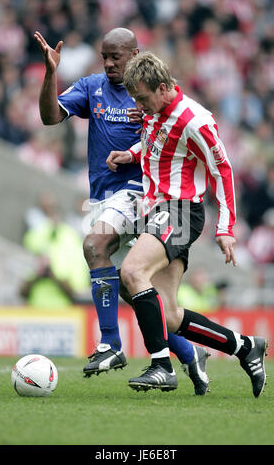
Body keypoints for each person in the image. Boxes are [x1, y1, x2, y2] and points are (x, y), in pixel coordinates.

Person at [34, 28, 210, 395]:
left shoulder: (153, 91)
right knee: (135, 290)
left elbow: (182, 127)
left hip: (145, 194)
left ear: (135, 54)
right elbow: (50, 118)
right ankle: (188, 353)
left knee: (94, 246)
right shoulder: (91, 87)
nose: (110, 63)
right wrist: (51, 72)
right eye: (105, 57)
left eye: (117, 56)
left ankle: (111, 344)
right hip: (107, 198)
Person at [106, 51, 268, 397]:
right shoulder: (155, 111)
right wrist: (132, 155)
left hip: (180, 211)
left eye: (143, 98)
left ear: (163, 88)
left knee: (132, 273)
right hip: (158, 210)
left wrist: (225, 228)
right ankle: (244, 346)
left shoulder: (195, 119)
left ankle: (162, 365)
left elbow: (222, 170)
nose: (140, 105)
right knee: (167, 311)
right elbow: (159, 146)